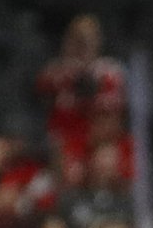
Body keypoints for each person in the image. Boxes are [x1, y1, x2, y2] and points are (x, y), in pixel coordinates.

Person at [34, 13, 124, 158]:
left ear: (98, 41)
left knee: (106, 158)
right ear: (68, 41)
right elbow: (41, 106)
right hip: (62, 147)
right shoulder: (54, 74)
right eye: (78, 39)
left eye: (88, 39)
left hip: (98, 147)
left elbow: (114, 123)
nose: (83, 45)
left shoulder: (110, 72)